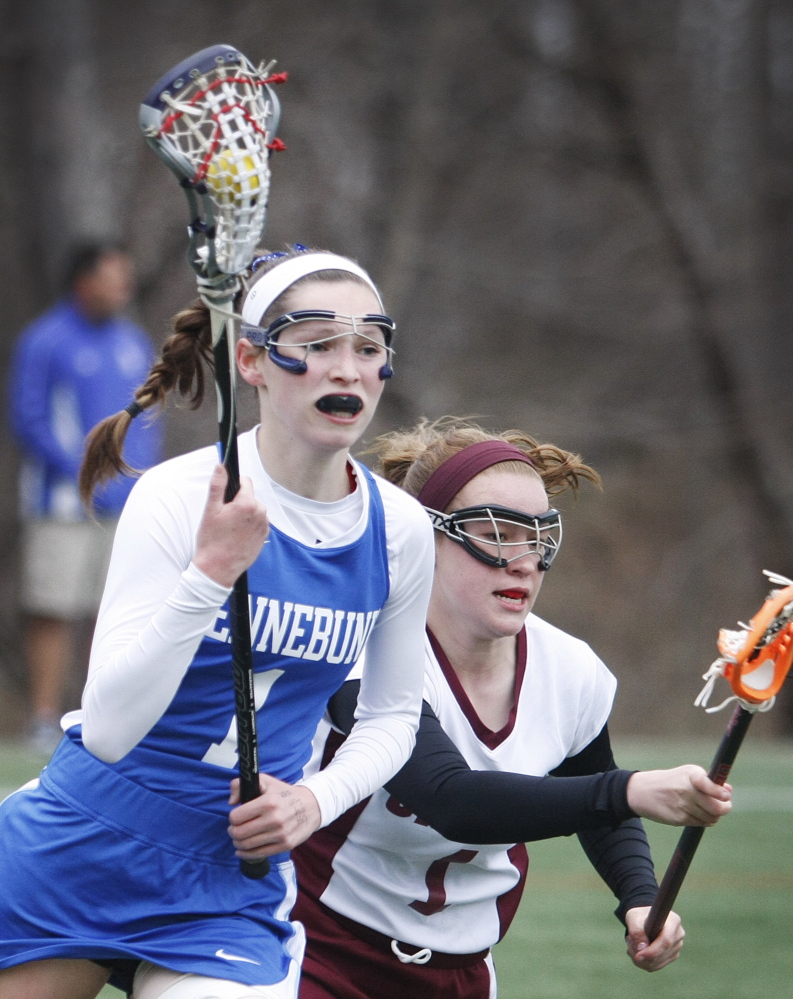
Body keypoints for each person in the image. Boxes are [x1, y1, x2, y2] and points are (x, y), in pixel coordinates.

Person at [0, 248, 435, 999]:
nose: (347, 369)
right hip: (83, 843)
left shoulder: (399, 527)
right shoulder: (176, 495)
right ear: (253, 360)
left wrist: (313, 800)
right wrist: (210, 573)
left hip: (227, 876)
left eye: (368, 348)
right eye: (317, 343)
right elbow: (106, 727)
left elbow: (392, 714)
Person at [291, 419, 733, 999]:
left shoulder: (569, 670)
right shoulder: (365, 648)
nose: (523, 560)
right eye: (497, 532)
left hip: (464, 973)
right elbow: (450, 798)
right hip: (315, 952)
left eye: (539, 536)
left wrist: (640, 899)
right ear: (426, 536)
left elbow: (596, 797)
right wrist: (629, 790)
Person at [8, 242, 163, 753]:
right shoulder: (45, 340)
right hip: (61, 505)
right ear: (84, 281)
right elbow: (29, 418)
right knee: (54, 607)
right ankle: (43, 719)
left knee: (113, 611)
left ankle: (98, 714)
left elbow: (145, 424)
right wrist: (84, 470)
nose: (124, 287)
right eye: (113, 276)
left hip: (125, 506)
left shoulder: (133, 342)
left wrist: (143, 482)